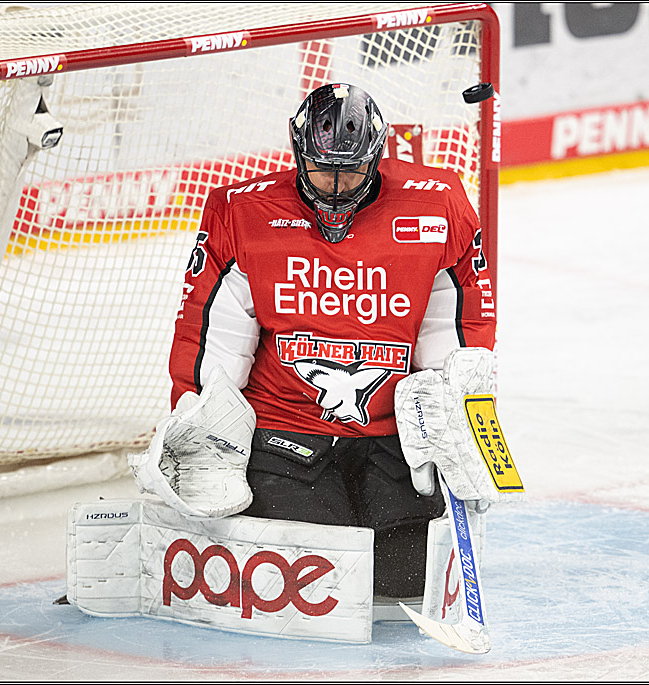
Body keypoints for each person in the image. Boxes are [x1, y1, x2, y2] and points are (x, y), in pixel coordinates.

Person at [162, 82, 495, 601]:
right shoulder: (242, 212)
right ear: (298, 154)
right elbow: (213, 336)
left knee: (403, 583)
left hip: (394, 442)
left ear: (377, 158)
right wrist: (205, 429)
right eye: (322, 170)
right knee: (323, 579)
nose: (336, 187)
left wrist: (460, 413)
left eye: (352, 171)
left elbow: (454, 323)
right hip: (285, 434)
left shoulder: (439, 204)